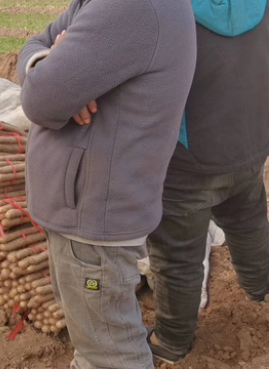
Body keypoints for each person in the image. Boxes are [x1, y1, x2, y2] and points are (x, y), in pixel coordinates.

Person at [16, 0, 197, 367]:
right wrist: (46, 61)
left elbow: (40, 98)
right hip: (87, 211)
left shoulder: (130, 6)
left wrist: (57, 76)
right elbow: (35, 43)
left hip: (92, 219)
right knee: (101, 342)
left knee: (110, 355)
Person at [146, 0, 269, 363]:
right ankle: (260, 293)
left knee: (177, 257)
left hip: (187, 162)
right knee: (250, 225)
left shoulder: (168, 11)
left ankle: (172, 341)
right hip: (249, 146)